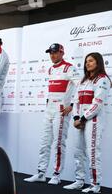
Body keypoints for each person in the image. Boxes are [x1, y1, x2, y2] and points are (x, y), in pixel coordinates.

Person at [24, 44, 80, 185]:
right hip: (49, 109)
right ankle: (41, 173)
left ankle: (56, 174)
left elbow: (81, 86)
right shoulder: (50, 69)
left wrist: (72, 105)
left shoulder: (69, 68)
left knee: (58, 143)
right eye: (50, 53)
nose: (52, 55)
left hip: (61, 110)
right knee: (44, 142)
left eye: (55, 52)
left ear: (62, 53)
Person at [63, 53, 111, 193]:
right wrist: (76, 118)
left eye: (91, 61)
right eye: (86, 61)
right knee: (78, 151)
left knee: (92, 152)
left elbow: (97, 103)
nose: (87, 64)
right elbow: (76, 100)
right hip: (80, 120)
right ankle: (79, 181)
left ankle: (95, 184)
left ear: (98, 62)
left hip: (94, 120)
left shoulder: (103, 80)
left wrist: (83, 119)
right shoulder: (83, 81)